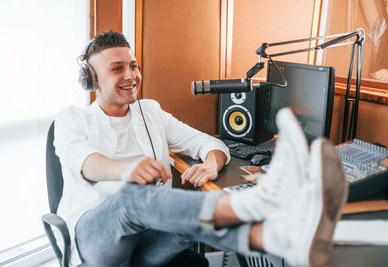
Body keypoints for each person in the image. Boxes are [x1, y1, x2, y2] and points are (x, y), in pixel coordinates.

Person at [54, 30, 348, 267]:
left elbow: (210, 143)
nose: (130, 75)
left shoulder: (150, 112)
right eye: (117, 69)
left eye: (133, 66)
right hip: (96, 245)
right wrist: (125, 169)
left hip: (146, 245)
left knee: (188, 223)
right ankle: (253, 206)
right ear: (93, 81)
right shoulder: (73, 118)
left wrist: (211, 163)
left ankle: (270, 235)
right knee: (132, 199)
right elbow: (84, 161)